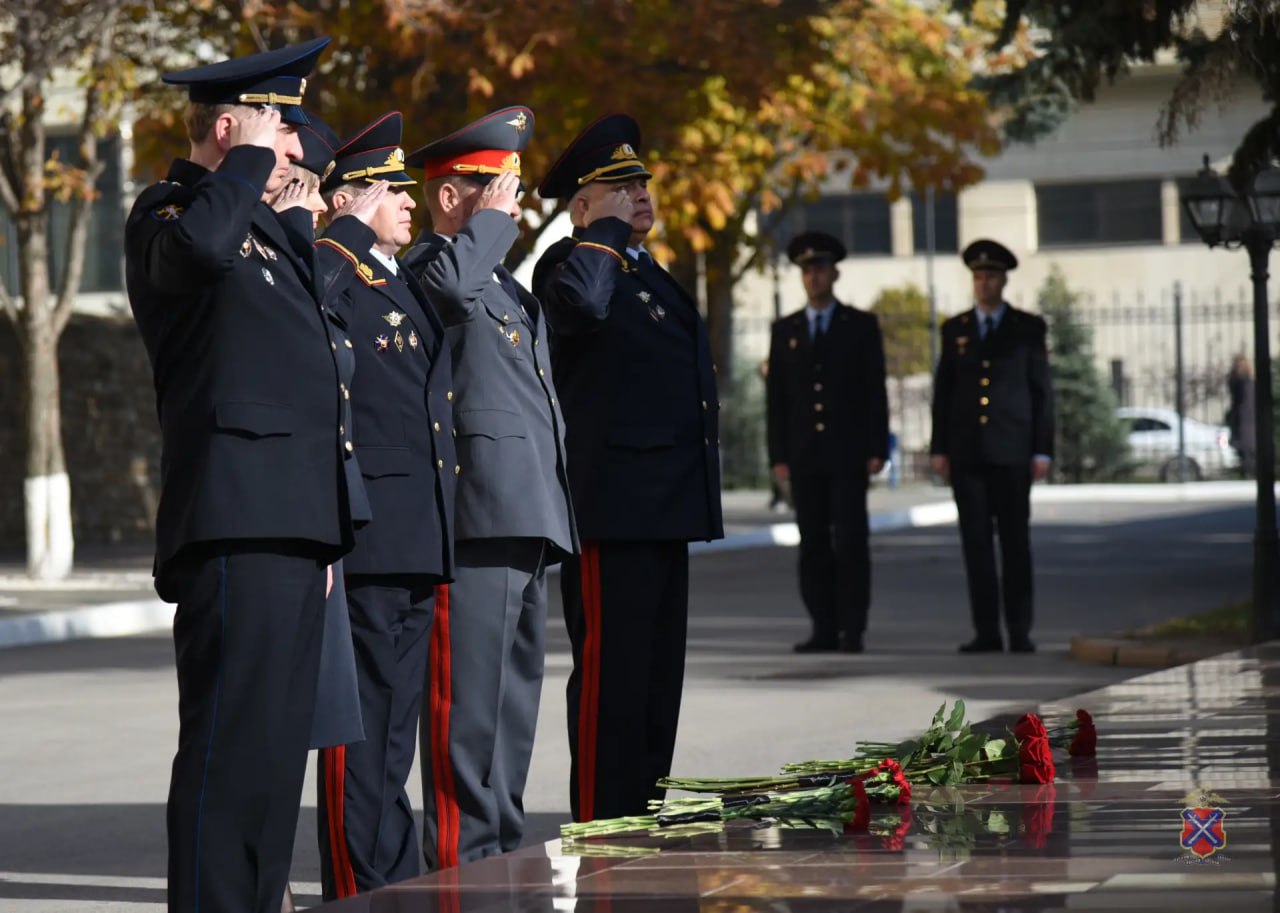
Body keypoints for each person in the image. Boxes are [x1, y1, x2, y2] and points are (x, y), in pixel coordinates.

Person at [124, 37, 385, 913]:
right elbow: (197, 254)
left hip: (297, 522)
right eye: (278, 126)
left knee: (274, 760)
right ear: (230, 128)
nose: (293, 149)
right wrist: (241, 159)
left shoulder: (262, 234)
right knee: (230, 750)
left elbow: (317, 342)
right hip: (234, 517)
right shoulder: (172, 213)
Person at [532, 113, 724, 822]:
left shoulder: (647, 271)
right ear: (582, 206)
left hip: (664, 507)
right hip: (611, 511)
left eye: (641, 180)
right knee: (611, 685)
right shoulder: (571, 264)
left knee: (652, 687)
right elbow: (581, 305)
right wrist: (602, 232)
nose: (639, 193)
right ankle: (602, 824)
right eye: (619, 185)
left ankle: (642, 818)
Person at [401, 105, 578, 869]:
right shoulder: (436, 266)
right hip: (474, 515)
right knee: (464, 713)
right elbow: (446, 294)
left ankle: (500, 847)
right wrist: (491, 228)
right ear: (451, 197)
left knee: (511, 708)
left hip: (525, 509)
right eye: (494, 186)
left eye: (512, 189)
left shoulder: (497, 280)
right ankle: (461, 861)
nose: (512, 201)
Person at [311, 111, 457, 899]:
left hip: (416, 530)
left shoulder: (393, 276)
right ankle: (354, 872)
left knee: (395, 722)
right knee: (359, 721)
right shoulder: (335, 264)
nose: (410, 202)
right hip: (370, 531)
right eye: (394, 190)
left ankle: (389, 867)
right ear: (356, 196)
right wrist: (338, 232)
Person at [267, 114, 368, 913]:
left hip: (313, 513)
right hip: (262, 514)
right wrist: (305, 236)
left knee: (309, 716)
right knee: (260, 722)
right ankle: (264, 879)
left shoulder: (300, 253)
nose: (310, 194)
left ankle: (275, 876)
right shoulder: (288, 255)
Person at [765, 231, 888, 654]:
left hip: (848, 452)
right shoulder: (786, 330)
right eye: (806, 270)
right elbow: (776, 399)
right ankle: (822, 625)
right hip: (804, 454)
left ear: (834, 272)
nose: (813, 277)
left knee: (851, 541)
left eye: (820, 269)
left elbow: (875, 389)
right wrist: (778, 455)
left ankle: (852, 628)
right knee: (813, 543)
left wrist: (877, 447)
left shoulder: (859, 326)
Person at [929, 239, 1054, 654]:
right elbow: (943, 393)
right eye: (978, 277)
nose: (984, 284)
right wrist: (940, 447)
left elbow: (1041, 393)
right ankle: (986, 631)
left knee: (1015, 543)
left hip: (1013, 451)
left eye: (991, 277)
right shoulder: (956, 330)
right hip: (968, 455)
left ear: (1003, 281)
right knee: (976, 545)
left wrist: (1042, 449)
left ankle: (1019, 629)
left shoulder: (1027, 328)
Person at [1227, 354, 1256, 478]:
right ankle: (1247, 470)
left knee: (1245, 445)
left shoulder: (1242, 380)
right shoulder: (1242, 380)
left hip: (1245, 416)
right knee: (1245, 445)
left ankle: (1247, 470)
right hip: (1245, 416)